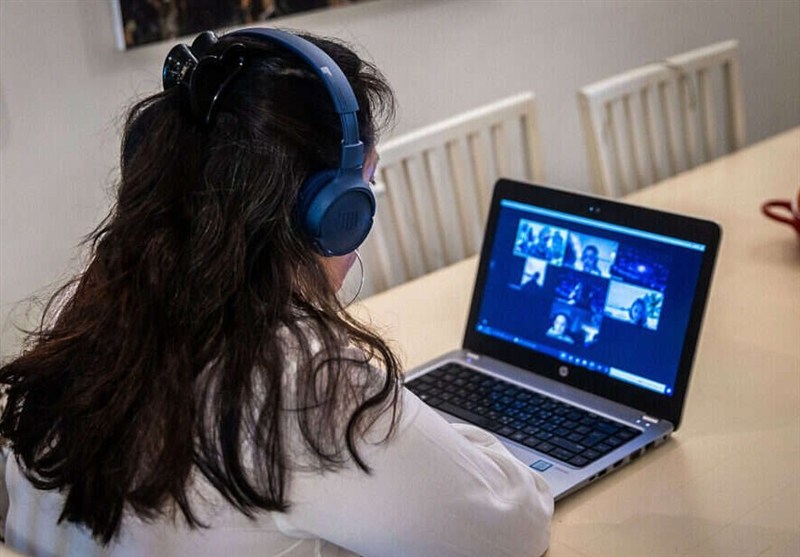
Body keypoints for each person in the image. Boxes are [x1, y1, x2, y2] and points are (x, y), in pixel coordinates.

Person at [0, 29, 552, 557]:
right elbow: (513, 526)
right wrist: (430, 432)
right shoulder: (303, 384)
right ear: (332, 213)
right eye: (366, 187)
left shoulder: (88, 316)